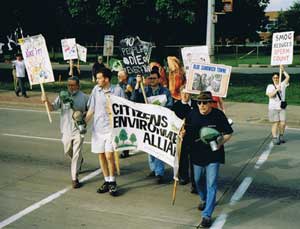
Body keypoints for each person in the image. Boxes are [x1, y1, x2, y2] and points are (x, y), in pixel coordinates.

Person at [185, 91, 233, 228]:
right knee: (198, 180)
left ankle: (207, 215)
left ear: (210, 103)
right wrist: (182, 133)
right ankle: (204, 199)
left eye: (205, 102)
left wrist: (219, 143)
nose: (201, 105)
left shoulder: (218, 115)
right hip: (197, 154)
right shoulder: (192, 115)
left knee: (211, 183)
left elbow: (229, 133)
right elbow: (185, 131)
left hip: (213, 155)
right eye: (199, 102)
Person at [41, 76, 89, 189]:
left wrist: (82, 115)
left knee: (76, 153)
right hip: (66, 130)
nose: (70, 87)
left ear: (78, 85)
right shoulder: (63, 96)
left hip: (78, 130)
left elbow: (90, 109)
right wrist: (46, 100)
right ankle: (80, 161)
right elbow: (52, 108)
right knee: (68, 150)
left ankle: (74, 178)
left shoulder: (84, 97)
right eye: (69, 85)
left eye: (72, 85)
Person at [85, 67, 125, 196]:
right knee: (101, 155)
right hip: (98, 130)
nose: (97, 80)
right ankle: (107, 181)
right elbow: (91, 109)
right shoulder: (96, 90)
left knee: (109, 155)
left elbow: (124, 109)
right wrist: (83, 123)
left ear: (106, 79)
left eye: (99, 78)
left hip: (112, 130)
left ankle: (113, 182)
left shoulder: (118, 90)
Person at [132, 68, 173, 184]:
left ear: (159, 79)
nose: (152, 80)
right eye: (150, 78)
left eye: (154, 78)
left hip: (160, 123)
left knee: (158, 147)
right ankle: (154, 169)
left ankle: (159, 173)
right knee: (149, 147)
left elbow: (170, 105)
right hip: (148, 124)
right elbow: (133, 99)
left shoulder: (165, 92)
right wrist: (137, 84)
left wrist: (160, 111)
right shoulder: (144, 90)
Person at [172, 86, 198, 193]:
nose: (185, 96)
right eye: (183, 94)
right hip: (182, 137)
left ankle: (195, 183)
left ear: (190, 94)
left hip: (195, 137)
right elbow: (173, 121)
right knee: (182, 157)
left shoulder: (197, 104)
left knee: (194, 160)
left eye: (187, 93)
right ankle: (183, 177)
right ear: (180, 94)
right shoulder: (176, 105)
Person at [266, 66, 290, 145]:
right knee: (275, 123)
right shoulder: (270, 86)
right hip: (273, 108)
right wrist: (277, 89)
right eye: (274, 78)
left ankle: (281, 135)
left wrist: (283, 70)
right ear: (272, 79)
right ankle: (274, 137)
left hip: (282, 107)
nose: (276, 79)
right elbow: (270, 95)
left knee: (283, 123)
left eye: (277, 77)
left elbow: (288, 77)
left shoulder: (282, 84)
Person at [117, 69, 133, 158]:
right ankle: (125, 150)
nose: (118, 78)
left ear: (125, 76)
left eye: (120, 76)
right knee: (125, 130)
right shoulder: (120, 84)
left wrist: (131, 90)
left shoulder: (132, 81)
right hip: (124, 110)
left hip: (133, 108)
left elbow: (136, 96)